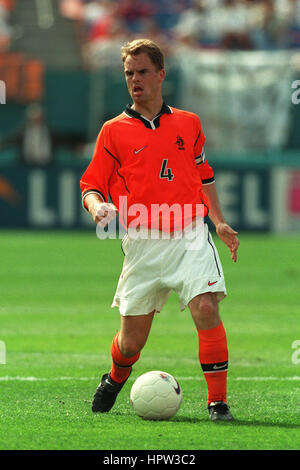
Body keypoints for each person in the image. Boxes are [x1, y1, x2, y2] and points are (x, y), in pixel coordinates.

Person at [80, 38, 239, 421]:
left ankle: (218, 403)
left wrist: (218, 221)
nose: (135, 80)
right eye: (129, 73)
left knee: (205, 306)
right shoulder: (113, 131)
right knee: (132, 341)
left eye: (143, 72)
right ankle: (116, 377)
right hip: (143, 243)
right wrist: (98, 205)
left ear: (161, 74)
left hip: (189, 235)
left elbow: (204, 175)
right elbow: (91, 186)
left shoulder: (188, 123)